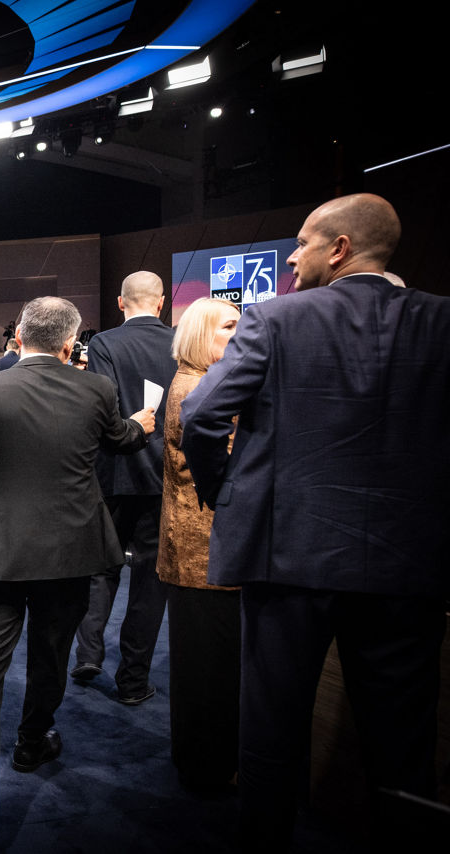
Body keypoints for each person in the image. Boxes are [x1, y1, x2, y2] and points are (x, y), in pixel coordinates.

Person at [180, 194, 450, 850]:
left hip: (287, 558)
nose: (292, 256)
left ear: (340, 249)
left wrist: (228, 501)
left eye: (302, 242)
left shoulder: (274, 319)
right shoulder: (444, 323)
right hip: (411, 565)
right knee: (402, 750)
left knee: (271, 737)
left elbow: (201, 418)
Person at [0, 298, 154, 854]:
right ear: (71, 344)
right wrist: (143, 425)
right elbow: (120, 438)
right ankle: (31, 741)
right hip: (70, 553)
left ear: (20, 336)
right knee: (51, 654)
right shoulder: (96, 391)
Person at [72, 271, 175, 705]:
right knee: (152, 583)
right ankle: (133, 682)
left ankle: (88, 654)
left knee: (100, 567)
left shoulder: (105, 344)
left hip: (114, 474)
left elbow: (104, 406)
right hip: (164, 477)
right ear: (163, 301)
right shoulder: (180, 344)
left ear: (120, 302)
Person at [156, 298, 242, 791]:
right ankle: (209, 768)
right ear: (201, 336)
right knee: (209, 670)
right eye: (229, 326)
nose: (242, 334)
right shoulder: (201, 386)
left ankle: (201, 761)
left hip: (195, 550)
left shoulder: (197, 381)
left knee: (203, 667)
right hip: (203, 552)